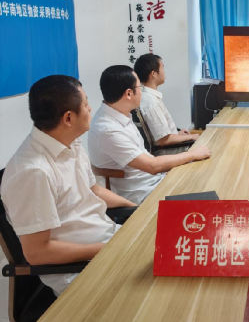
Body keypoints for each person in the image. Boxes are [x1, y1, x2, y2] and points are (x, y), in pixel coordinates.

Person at [1, 75, 136, 296]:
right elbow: (37, 252)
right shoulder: (33, 172)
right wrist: (108, 249)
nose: (90, 108)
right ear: (68, 118)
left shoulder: (70, 142)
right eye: (86, 104)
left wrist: (136, 211)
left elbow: (94, 191)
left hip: (106, 240)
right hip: (79, 271)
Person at [88, 65, 211, 205]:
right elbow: (151, 166)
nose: (142, 91)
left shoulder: (121, 115)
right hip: (144, 193)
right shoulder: (108, 129)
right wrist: (193, 154)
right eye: (139, 87)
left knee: (205, 175)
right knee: (206, 188)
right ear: (128, 93)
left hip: (154, 180)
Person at [134, 54, 198, 155]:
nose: (164, 72)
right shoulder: (151, 102)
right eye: (162, 68)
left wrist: (177, 134)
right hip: (170, 152)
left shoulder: (147, 96)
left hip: (171, 145)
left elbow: (160, 135)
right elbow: (164, 140)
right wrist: (191, 137)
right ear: (153, 74)